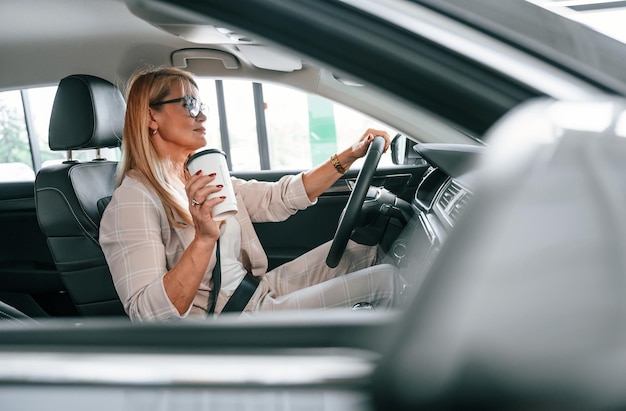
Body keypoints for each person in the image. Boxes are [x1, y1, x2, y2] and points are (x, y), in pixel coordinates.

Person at [99, 66, 396, 321]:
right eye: (189, 104)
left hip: (256, 291)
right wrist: (204, 239)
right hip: (232, 321)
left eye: (203, 106)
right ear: (152, 117)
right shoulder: (133, 200)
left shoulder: (196, 175)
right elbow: (149, 314)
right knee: (386, 282)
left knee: (365, 251)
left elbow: (277, 198)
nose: (202, 115)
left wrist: (349, 156)